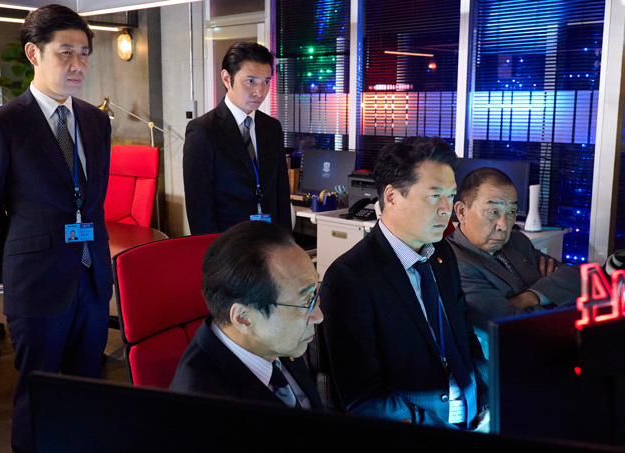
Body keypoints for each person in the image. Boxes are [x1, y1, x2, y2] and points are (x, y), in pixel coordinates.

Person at [0, 5, 112, 452]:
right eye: (65, 52)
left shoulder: (95, 120)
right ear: (34, 53)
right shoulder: (3, 123)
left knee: (89, 389)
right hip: (37, 283)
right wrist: (15, 269)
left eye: (84, 54)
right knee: (39, 394)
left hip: (92, 280)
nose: (78, 64)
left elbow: (92, 201)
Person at [320, 137, 488, 430]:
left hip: (476, 419)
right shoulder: (350, 277)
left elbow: (465, 339)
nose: (446, 209)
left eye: (450, 196)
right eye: (434, 196)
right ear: (392, 197)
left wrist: (486, 403)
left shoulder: (443, 254)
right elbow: (363, 397)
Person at [170, 221, 323, 409]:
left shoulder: (275, 341)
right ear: (243, 318)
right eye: (306, 302)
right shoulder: (204, 407)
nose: (319, 316)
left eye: (315, 295)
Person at [447, 167, 580, 353]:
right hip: (509, 360)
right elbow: (512, 328)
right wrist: (554, 293)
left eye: (511, 212)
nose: (503, 225)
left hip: (556, 344)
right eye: (493, 212)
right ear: (461, 212)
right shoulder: (455, 262)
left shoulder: (517, 242)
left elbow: (578, 278)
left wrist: (529, 297)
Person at [183, 41, 291, 235]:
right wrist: (213, 251)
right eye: (251, 81)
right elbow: (199, 208)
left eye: (266, 82)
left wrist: (286, 244)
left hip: (269, 239)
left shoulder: (271, 127)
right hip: (229, 243)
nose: (260, 92)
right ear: (227, 78)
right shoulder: (203, 131)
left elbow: (281, 194)